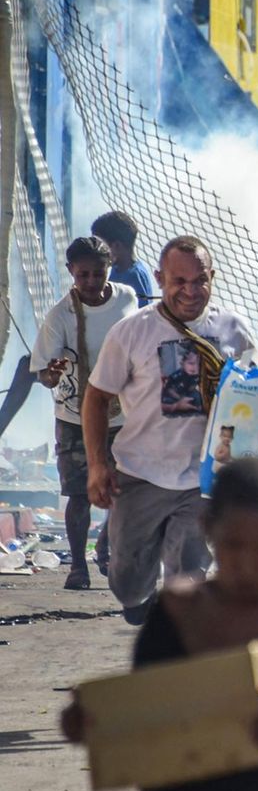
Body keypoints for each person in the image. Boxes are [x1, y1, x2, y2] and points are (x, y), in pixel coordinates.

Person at [62, 457, 258, 791]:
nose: (248, 563)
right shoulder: (173, 615)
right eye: (234, 545)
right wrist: (89, 721)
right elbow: (141, 717)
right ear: (207, 529)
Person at [82, 235, 256, 624]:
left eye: (199, 281)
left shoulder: (233, 329)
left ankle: (178, 639)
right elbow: (96, 398)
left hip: (203, 480)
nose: (190, 292)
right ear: (160, 279)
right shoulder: (131, 332)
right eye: (179, 281)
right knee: (128, 581)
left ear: (212, 278)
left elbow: (253, 397)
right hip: (140, 475)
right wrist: (97, 466)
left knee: (188, 577)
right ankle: (137, 601)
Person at [30, 237, 139, 589]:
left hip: (123, 414)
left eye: (98, 273)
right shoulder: (60, 316)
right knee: (79, 493)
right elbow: (44, 375)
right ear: (70, 272)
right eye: (83, 275)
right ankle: (78, 566)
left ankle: (105, 546)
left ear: (110, 269)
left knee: (125, 488)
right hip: (75, 417)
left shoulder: (127, 299)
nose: (91, 282)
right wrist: (52, 374)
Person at [91, 210, 154, 307]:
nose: (96, 251)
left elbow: (143, 312)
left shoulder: (134, 276)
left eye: (100, 246)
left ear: (117, 246)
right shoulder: (117, 268)